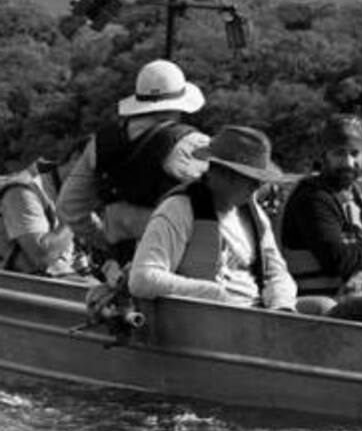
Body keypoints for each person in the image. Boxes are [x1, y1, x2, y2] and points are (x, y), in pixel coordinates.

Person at [57, 59, 209, 266]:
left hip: (122, 263)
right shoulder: (192, 144)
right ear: (180, 105)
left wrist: (105, 240)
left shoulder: (99, 144)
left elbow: (69, 207)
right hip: (173, 263)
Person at [128, 125, 296, 311]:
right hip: (206, 319)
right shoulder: (178, 209)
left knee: (319, 307)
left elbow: (277, 273)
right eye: (252, 179)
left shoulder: (254, 214)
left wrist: (282, 305)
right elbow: (142, 279)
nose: (258, 186)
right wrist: (214, 294)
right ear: (224, 174)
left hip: (258, 317)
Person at [280, 114, 362, 303]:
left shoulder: (356, 198)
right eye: (339, 153)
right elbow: (337, 260)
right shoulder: (312, 198)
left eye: (354, 153)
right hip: (318, 305)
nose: (348, 162)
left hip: (348, 300)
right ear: (323, 156)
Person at [0, 143, 86, 276]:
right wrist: (74, 214)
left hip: (68, 279)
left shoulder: (74, 193)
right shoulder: (23, 191)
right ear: (76, 158)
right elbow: (42, 257)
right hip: (23, 284)